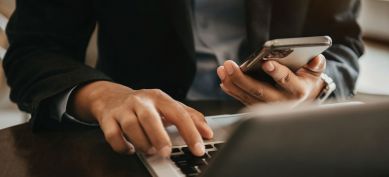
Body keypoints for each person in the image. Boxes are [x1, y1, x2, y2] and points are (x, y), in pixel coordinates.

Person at [3, 0, 364, 157]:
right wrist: (101, 96)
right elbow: (33, 49)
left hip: (280, 137)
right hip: (135, 143)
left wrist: (316, 85)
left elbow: (344, 43)